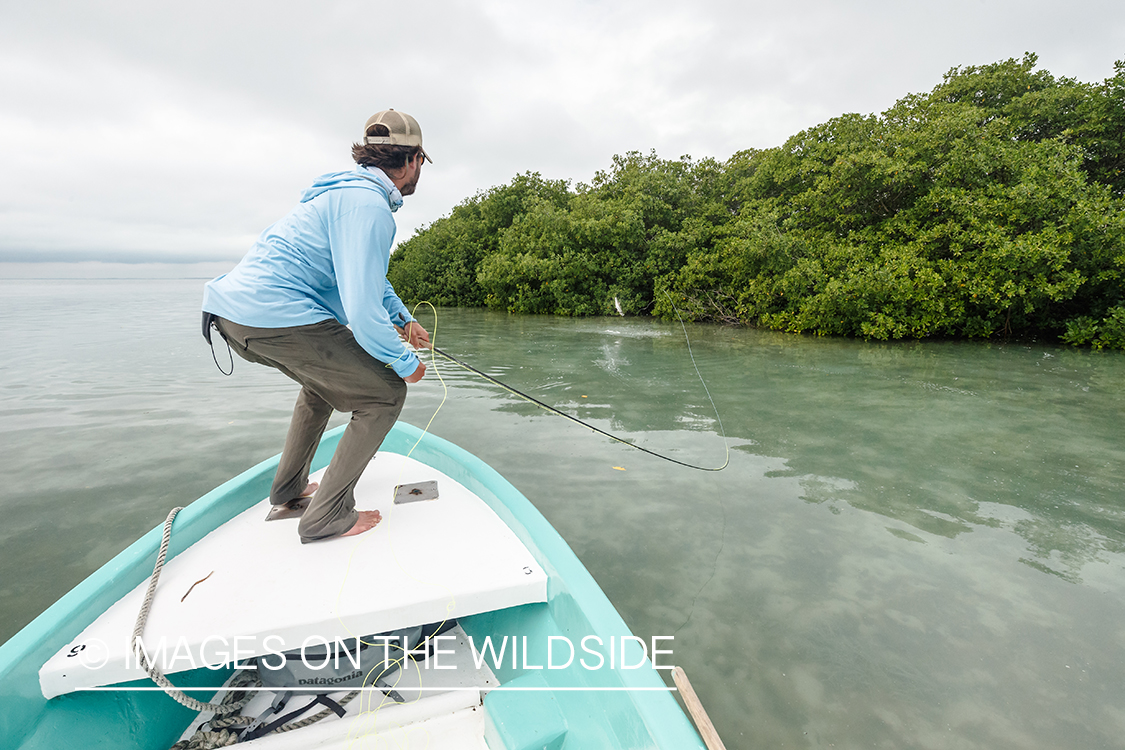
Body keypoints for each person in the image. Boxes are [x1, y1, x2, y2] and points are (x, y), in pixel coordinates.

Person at [201, 109, 432, 543]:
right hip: (276, 313)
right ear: (414, 160)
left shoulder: (346, 195)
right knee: (384, 393)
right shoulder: (369, 208)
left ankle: (288, 490)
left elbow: (369, 279)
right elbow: (362, 314)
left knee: (322, 385)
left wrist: (404, 319)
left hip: (232, 316)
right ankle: (326, 516)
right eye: (422, 162)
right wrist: (405, 363)